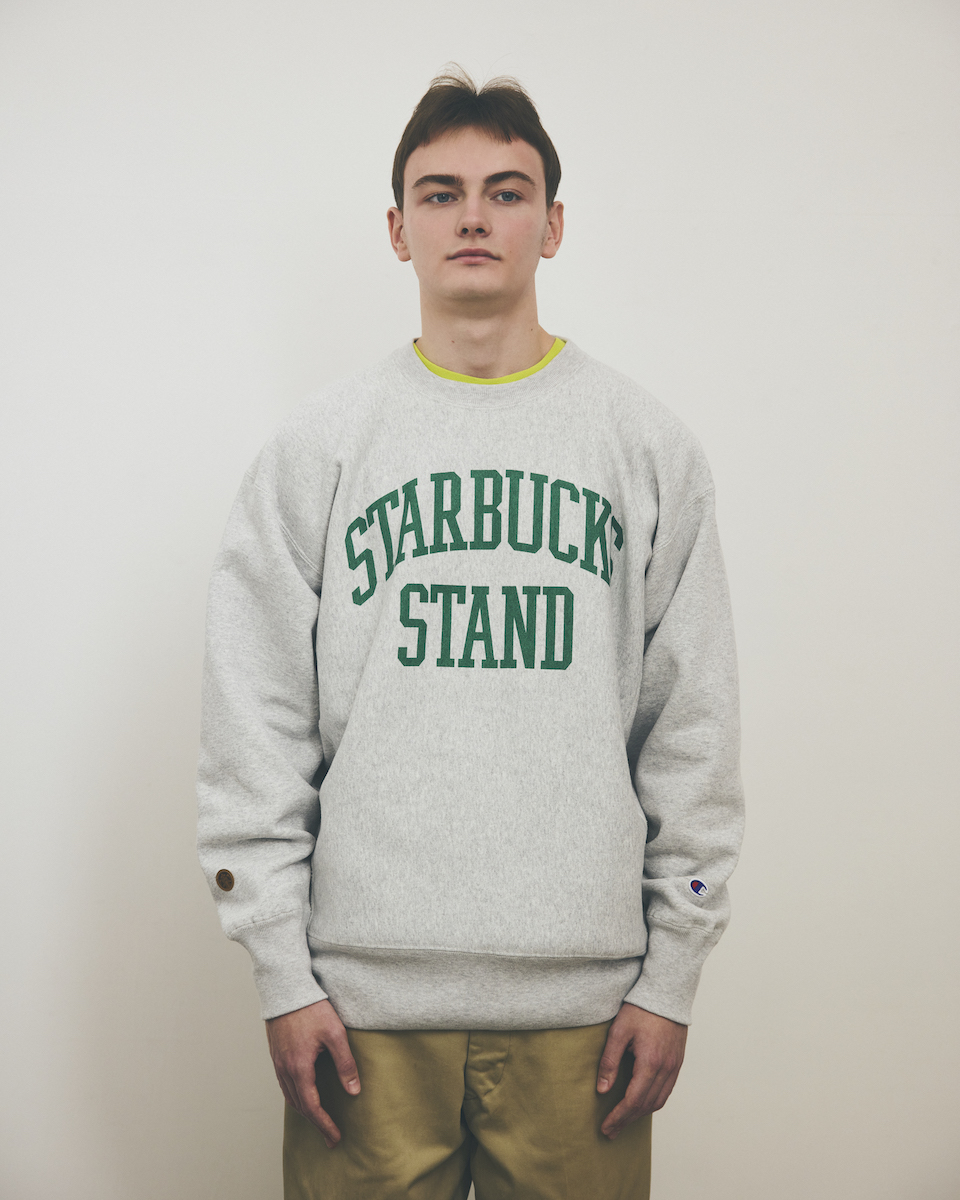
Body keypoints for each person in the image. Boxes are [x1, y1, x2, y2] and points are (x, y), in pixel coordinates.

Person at [196, 67, 744, 1200]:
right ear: (399, 230)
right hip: (358, 1009)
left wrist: (672, 978)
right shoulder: (318, 450)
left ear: (554, 224)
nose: (474, 217)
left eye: (507, 191)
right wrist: (282, 973)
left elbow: (692, 725)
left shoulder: (646, 447)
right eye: (440, 194)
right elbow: (253, 721)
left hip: (588, 1011)